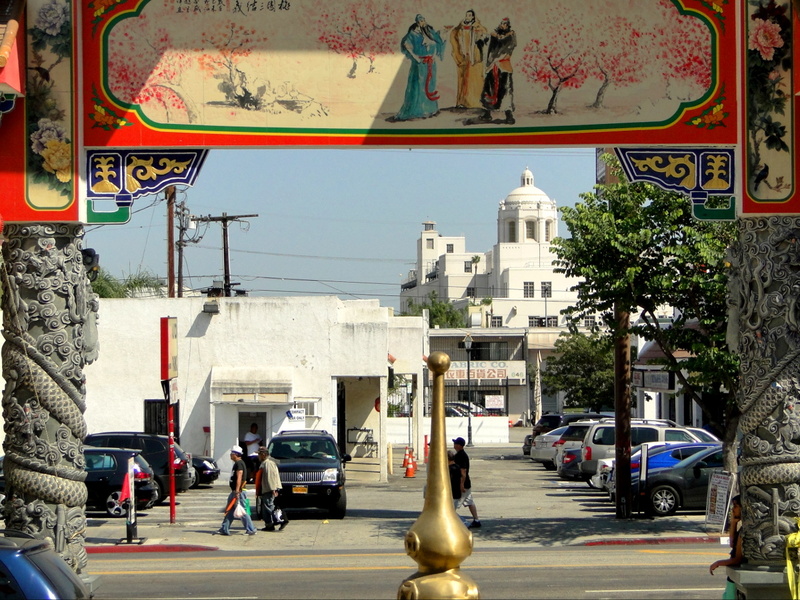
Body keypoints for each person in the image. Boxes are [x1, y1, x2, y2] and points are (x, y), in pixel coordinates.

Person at [392, 14, 446, 121]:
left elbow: (437, 41)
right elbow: (407, 45)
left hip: (430, 63)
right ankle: (418, 110)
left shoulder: (428, 32)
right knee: (419, 85)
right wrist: (416, 58)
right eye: (421, 21)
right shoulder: (412, 34)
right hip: (420, 63)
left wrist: (443, 36)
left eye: (424, 20)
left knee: (430, 84)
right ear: (417, 22)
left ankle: (430, 109)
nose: (424, 22)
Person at [469, 17, 516, 125]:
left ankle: (509, 115)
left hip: (504, 67)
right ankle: (487, 114)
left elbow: (509, 48)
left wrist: (498, 58)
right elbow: (485, 44)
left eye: (505, 24)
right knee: (488, 89)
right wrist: (480, 40)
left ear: (508, 25)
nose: (502, 25)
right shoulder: (493, 34)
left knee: (506, 91)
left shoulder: (511, 36)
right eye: (501, 23)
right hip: (492, 66)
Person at [450, 10, 487, 109]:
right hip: (463, 56)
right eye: (467, 15)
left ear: (473, 17)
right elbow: (454, 37)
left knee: (475, 79)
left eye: (470, 15)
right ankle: (462, 102)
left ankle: (476, 102)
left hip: (475, 57)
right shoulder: (459, 28)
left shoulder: (478, 27)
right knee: (463, 79)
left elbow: (485, 35)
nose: (468, 17)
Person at [218, 445, 257, 536]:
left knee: (242, 511)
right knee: (230, 510)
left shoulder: (239, 464)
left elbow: (239, 477)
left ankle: (251, 529)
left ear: (236, 454)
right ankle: (224, 528)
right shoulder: (238, 463)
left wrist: (237, 491)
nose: (230, 455)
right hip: (235, 491)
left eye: (232, 453)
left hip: (238, 491)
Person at [710, 495, 743, 599]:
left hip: (738, 577)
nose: (733, 510)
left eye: (735, 506)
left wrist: (718, 563)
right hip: (733, 577)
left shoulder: (745, 532)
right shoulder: (742, 528)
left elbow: (738, 559)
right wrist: (733, 522)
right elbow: (732, 543)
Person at [255, 446, 288, 532]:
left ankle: (282, 519)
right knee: (265, 508)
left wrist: (273, 489)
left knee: (270, 507)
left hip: (269, 489)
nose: (258, 456)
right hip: (266, 489)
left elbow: (271, 478)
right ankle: (269, 525)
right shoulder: (266, 463)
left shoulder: (268, 463)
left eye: (259, 454)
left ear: (263, 455)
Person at [452, 437, 481, 528]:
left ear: (460, 446)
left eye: (455, 444)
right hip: (467, 483)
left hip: (463, 484)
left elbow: (463, 472)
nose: (454, 445)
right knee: (469, 501)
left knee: (453, 506)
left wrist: (461, 485)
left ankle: (462, 524)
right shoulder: (461, 455)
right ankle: (476, 520)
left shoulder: (460, 456)